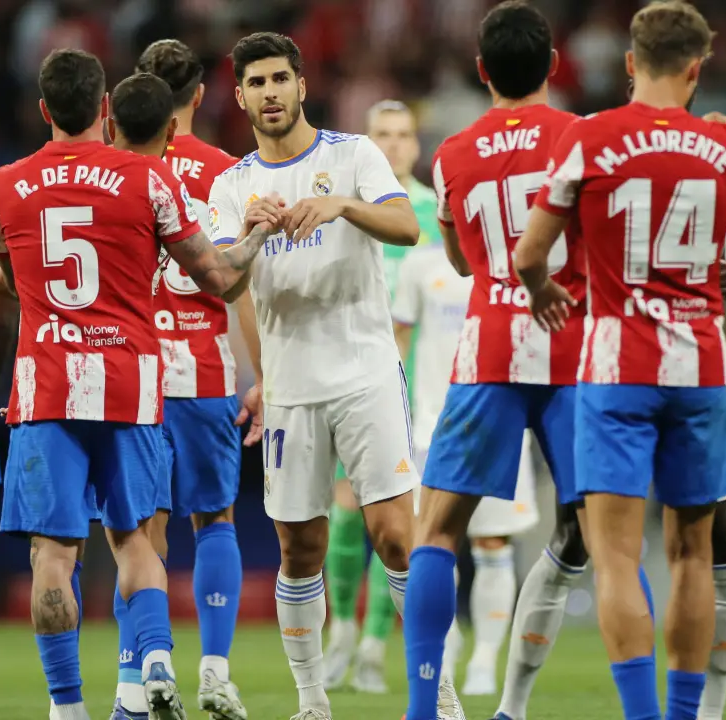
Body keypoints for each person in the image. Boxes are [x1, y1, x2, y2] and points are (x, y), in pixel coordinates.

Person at [512, 2, 726, 717]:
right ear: (697, 69)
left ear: (632, 63)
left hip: (617, 370)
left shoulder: (591, 137)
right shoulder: (724, 142)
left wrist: (543, 293)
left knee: (616, 558)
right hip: (700, 370)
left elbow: (529, 254)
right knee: (696, 553)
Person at [0, 54, 273, 720]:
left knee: (53, 554)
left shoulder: (5, 185)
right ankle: (155, 662)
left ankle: (67, 709)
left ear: (43, 109)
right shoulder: (148, 178)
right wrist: (257, 233)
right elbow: (218, 276)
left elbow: (10, 279)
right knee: (136, 539)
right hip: (131, 382)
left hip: (47, 385)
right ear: (104, 108)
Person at [211, 32, 458, 720]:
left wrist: (342, 205)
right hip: (291, 388)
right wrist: (253, 236)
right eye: (255, 83)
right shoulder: (232, 185)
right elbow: (224, 283)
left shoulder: (353, 155)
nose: (269, 93)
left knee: (398, 537)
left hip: (366, 374)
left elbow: (407, 226)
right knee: (300, 548)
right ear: (241, 97)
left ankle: (437, 694)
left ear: (300, 85)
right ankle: (313, 701)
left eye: (278, 79)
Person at [399, 4, 583, 718]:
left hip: (490, 349)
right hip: (572, 347)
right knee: (611, 538)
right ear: (554, 64)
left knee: (437, 532)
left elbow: (460, 262)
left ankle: (423, 709)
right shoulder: (581, 138)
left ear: (482, 71)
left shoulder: (452, 155)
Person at [104, 38, 256, 720]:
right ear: (198, 96)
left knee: (139, 532)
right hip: (204, 371)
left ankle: (133, 685)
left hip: (131, 371)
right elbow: (237, 286)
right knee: (215, 518)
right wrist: (263, 375)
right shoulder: (225, 172)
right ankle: (216, 672)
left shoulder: (111, 173)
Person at [323, 99, 441, 695]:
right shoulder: (347, 207)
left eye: (402, 134)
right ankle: (342, 628)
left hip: (417, 384)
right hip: (353, 374)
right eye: (382, 134)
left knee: (396, 516)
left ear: (415, 144)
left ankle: (373, 644)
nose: (393, 144)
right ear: (366, 143)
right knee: (346, 510)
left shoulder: (434, 214)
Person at [391, 240, 540, 698]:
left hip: (504, 417)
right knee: (434, 541)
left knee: (493, 542)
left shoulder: (517, 255)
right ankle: (447, 653)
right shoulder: (421, 263)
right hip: (433, 425)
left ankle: (485, 661)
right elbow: (400, 336)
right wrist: (396, 406)